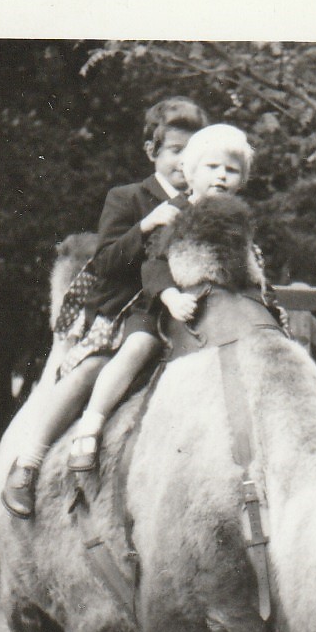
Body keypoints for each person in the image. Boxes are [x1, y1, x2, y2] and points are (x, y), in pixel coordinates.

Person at [1, 96, 209, 518]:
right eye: (175, 150)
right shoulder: (128, 198)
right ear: (152, 151)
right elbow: (105, 262)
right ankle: (28, 463)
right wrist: (147, 225)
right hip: (123, 310)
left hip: (175, 314)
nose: (184, 161)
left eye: (194, 152)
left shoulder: (202, 204)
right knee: (94, 367)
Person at [65, 122, 256, 475]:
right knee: (138, 346)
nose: (221, 176)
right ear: (191, 173)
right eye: (212, 167)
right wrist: (170, 297)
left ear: (241, 181)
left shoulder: (236, 219)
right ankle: (91, 424)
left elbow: (247, 265)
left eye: (231, 171)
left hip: (212, 309)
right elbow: (154, 263)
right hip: (161, 306)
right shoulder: (176, 212)